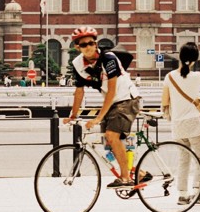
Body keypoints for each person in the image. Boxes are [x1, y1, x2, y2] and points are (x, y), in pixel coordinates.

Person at [63, 27, 146, 188]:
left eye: (91, 43)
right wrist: (73, 115)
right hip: (113, 102)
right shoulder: (78, 64)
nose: (88, 47)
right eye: (83, 44)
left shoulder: (108, 58)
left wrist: (99, 117)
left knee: (112, 135)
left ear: (95, 44)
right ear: (77, 47)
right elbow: (79, 91)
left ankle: (125, 178)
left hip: (127, 99)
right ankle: (139, 174)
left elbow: (112, 90)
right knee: (108, 142)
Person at [160, 42, 200, 205]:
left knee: (184, 159)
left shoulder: (169, 77)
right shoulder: (197, 76)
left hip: (178, 124)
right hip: (195, 124)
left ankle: (183, 195)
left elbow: (165, 101)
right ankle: (199, 192)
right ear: (194, 60)